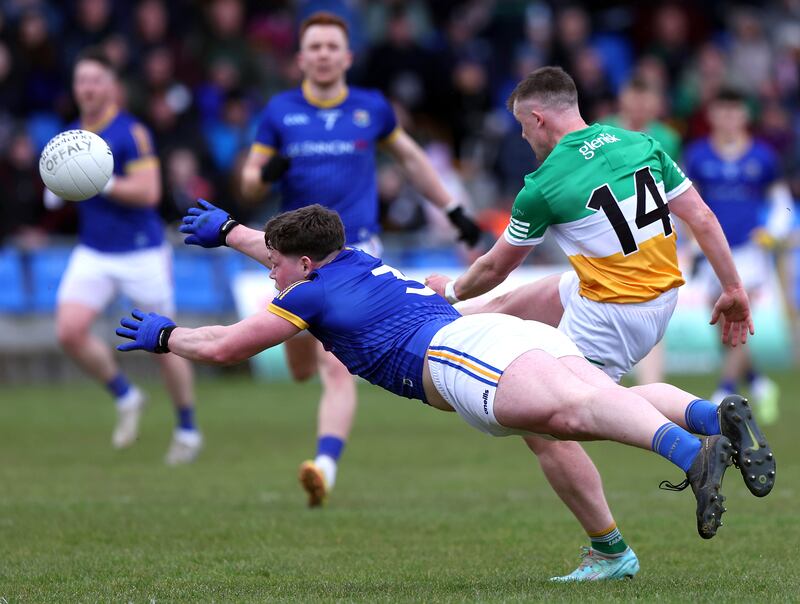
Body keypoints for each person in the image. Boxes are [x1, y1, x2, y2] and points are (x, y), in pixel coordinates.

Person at [116, 203, 776, 582]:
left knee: (576, 415)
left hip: (456, 358)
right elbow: (283, 251)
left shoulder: (309, 290)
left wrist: (167, 336)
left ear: (307, 265)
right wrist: (233, 231)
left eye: (279, 267)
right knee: (585, 401)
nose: (274, 274)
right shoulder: (353, 261)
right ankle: (704, 421)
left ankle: (691, 455)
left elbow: (229, 345)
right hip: (489, 335)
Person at [424, 66, 755, 580]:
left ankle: (619, 540)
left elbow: (492, 267)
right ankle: (711, 421)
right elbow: (704, 219)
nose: (523, 137)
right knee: (521, 304)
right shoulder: (639, 141)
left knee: (546, 419)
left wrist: (449, 289)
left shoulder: (545, 183)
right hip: (655, 292)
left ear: (537, 118)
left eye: (522, 127)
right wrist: (733, 289)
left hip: (614, 311)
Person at [239, 12, 484, 507]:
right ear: (301, 58)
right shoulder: (280, 112)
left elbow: (412, 159)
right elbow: (247, 181)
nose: (324, 54)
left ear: (347, 57)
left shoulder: (371, 108)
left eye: (333, 46)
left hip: (356, 257)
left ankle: (324, 467)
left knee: (335, 367)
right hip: (293, 260)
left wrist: (455, 209)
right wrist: (268, 174)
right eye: (316, 46)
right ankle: (315, 406)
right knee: (302, 368)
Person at [51, 47, 202, 465]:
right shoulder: (68, 137)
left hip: (141, 253)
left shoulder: (130, 132)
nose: (88, 88)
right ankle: (126, 395)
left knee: (165, 344)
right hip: (94, 251)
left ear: (112, 86)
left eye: (96, 79)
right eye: (81, 80)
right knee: (68, 331)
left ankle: (187, 427)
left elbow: (149, 193)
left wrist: (99, 181)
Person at [684, 87, 794, 423]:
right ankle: (758, 382)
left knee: (735, 317)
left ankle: (725, 389)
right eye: (723, 111)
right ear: (713, 115)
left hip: (749, 252)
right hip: (713, 251)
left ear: (745, 116)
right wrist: (689, 243)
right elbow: (689, 202)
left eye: (735, 112)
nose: (729, 119)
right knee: (719, 321)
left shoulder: (762, 157)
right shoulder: (699, 156)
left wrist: (771, 233)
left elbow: (781, 202)